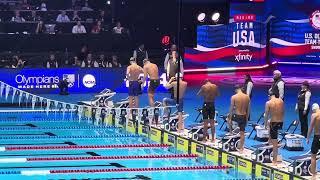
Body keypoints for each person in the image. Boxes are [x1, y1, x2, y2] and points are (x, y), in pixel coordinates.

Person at [228, 85, 250, 153]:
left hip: (236, 116)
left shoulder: (234, 97)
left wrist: (229, 118)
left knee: (232, 130)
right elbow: (248, 110)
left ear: (236, 89)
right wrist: (246, 119)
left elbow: (231, 109)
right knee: (242, 133)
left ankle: (231, 140)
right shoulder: (247, 97)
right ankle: (241, 148)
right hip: (243, 116)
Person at [264, 92, 284, 165]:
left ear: (269, 96)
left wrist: (265, 124)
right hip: (280, 121)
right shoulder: (281, 101)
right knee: (274, 137)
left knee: (274, 143)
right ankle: (269, 141)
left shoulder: (268, 103)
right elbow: (282, 111)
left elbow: (266, 114)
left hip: (274, 123)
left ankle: (275, 160)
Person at [306, 103, 320, 178]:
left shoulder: (314, 115)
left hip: (317, 137)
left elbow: (311, 127)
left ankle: (313, 174)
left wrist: (308, 138)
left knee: (313, 155)